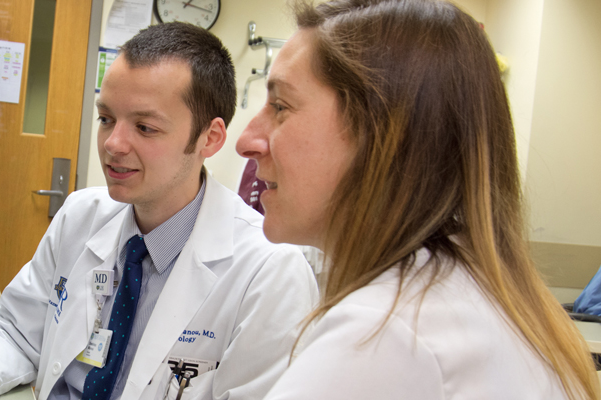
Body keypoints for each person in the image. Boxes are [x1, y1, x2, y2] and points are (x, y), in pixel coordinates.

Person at [0, 22, 319, 400]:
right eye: (106, 118)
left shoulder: (268, 273)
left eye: (145, 128)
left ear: (209, 139)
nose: (113, 144)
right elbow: (18, 331)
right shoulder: (84, 214)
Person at [235, 0, 600, 399]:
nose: (247, 142)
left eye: (281, 106)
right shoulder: (475, 299)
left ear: (386, 134)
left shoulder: (385, 334)